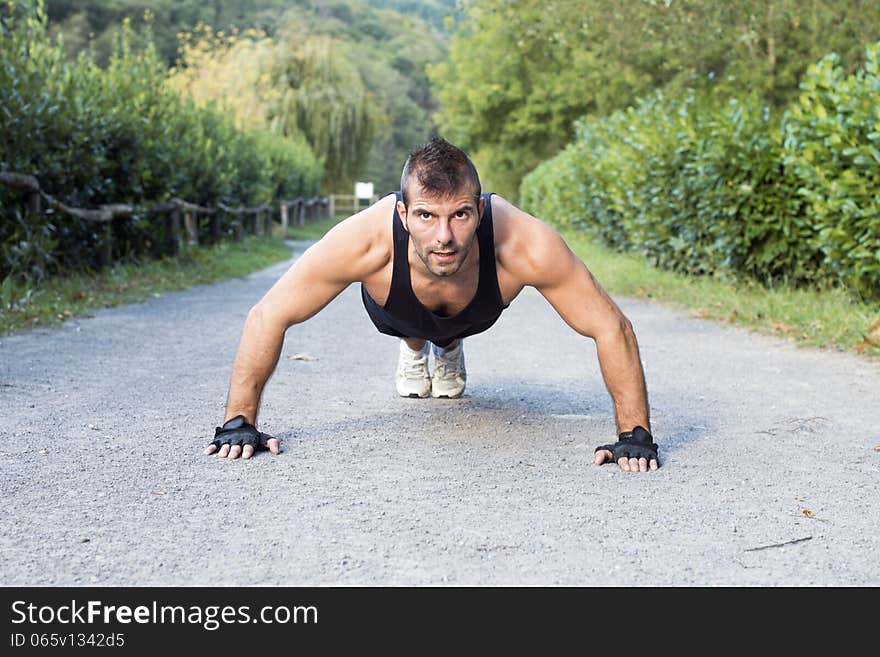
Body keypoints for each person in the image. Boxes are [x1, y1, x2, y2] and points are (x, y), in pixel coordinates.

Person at [204, 137, 660, 472]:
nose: (443, 236)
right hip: (397, 310)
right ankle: (418, 348)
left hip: (475, 311)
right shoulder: (365, 239)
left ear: (480, 210)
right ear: (403, 213)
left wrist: (634, 436)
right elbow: (270, 313)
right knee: (416, 327)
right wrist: (238, 423)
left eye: (459, 215)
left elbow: (610, 325)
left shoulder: (524, 243)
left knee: (451, 321)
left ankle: (449, 346)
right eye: (426, 215)